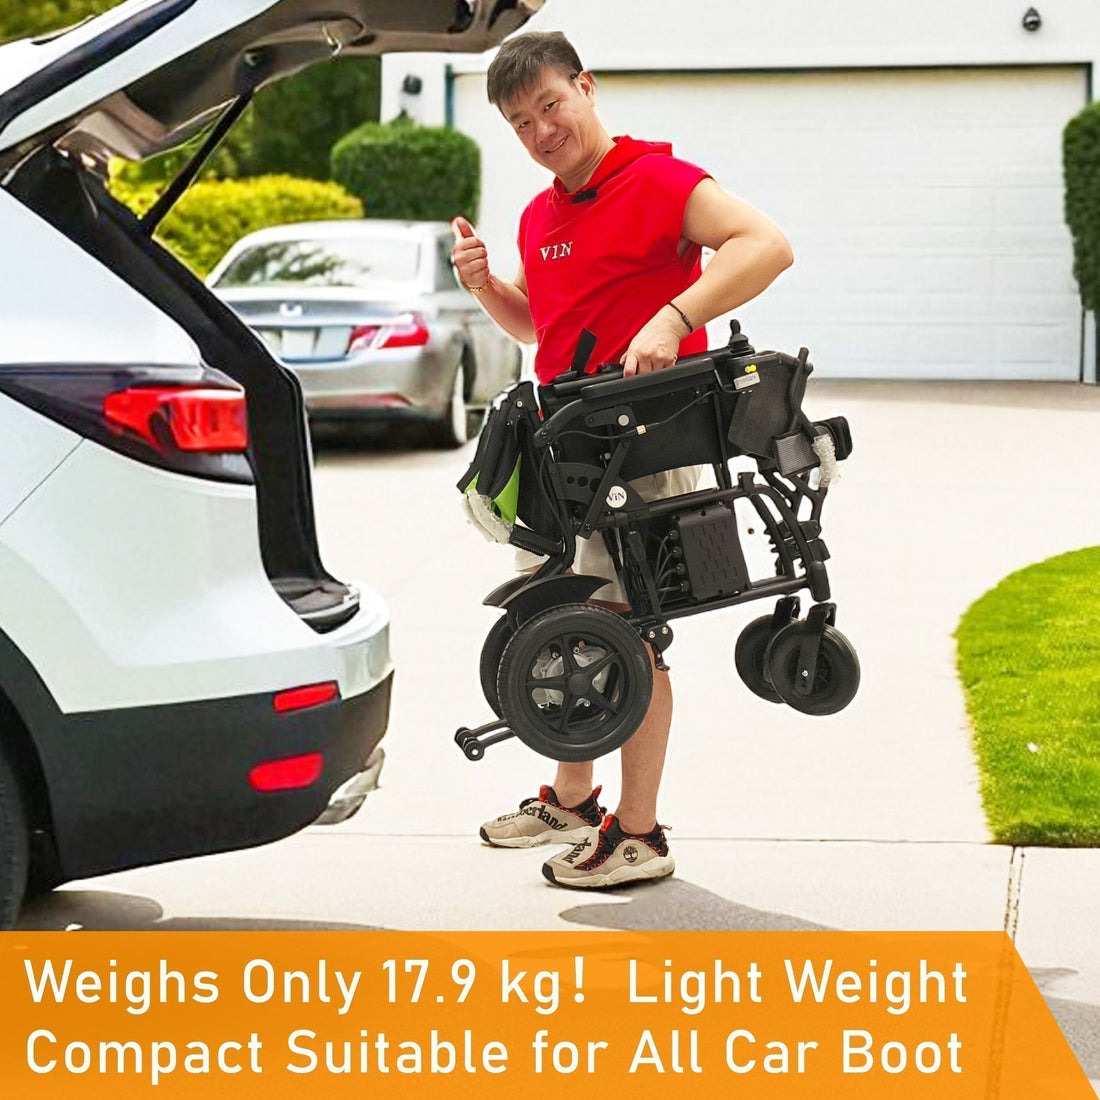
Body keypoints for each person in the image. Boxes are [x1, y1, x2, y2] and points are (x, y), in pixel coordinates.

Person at [452, 30, 792, 889]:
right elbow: (547, 330)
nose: (541, 132)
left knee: (629, 640)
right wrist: (490, 288)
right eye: (522, 122)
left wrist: (675, 318)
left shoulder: (660, 181)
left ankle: (639, 834)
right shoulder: (540, 215)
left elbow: (765, 246)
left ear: (587, 88)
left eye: (552, 107)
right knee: (559, 626)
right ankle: (572, 800)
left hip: (647, 443)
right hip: (568, 448)